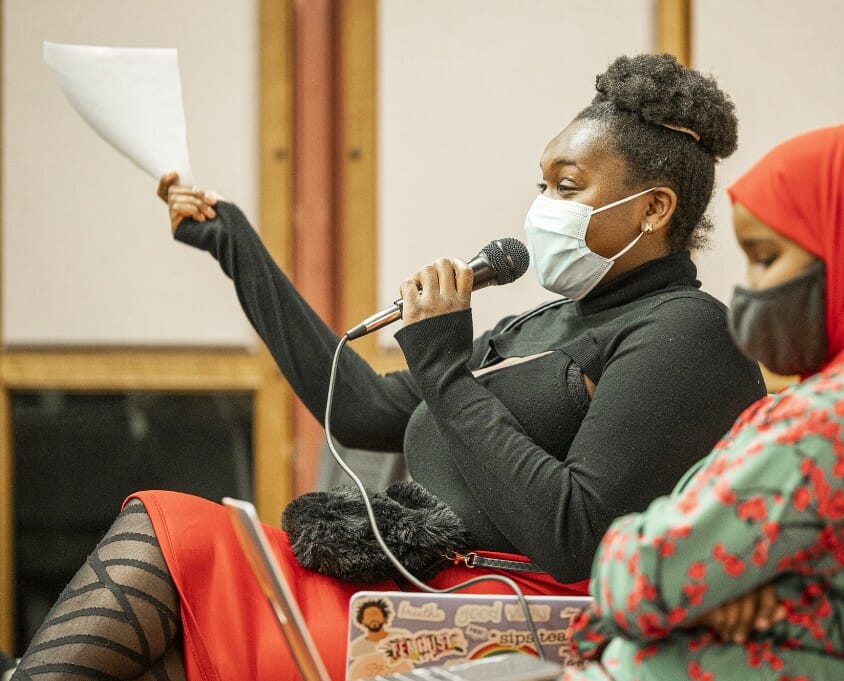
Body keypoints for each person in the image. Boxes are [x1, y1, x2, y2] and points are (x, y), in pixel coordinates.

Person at [9, 54, 766, 680]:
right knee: (169, 541)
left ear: (655, 208)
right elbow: (361, 405)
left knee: (170, 548)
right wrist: (235, 246)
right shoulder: (545, 319)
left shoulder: (688, 335)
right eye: (543, 185)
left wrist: (445, 367)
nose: (543, 206)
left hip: (505, 620)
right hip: (409, 592)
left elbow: (576, 533)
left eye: (568, 187)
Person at [563, 123, 844, 681]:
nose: (746, 288)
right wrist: (717, 588)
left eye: (765, 256)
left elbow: (646, 579)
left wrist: (677, 585)